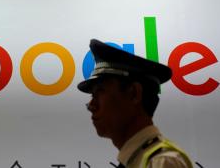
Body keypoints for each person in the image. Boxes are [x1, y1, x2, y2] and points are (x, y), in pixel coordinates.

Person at [79, 39, 193, 168]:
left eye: (100, 92)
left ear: (134, 93)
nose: (91, 106)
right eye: (92, 95)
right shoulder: (139, 159)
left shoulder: (162, 163)